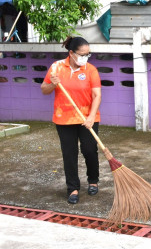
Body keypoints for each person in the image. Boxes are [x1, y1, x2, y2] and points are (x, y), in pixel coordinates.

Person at [41, 36, 102, 204]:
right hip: (64, 118)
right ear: (71, 53)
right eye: (82, 54)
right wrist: (53, 84)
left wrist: (90, 117)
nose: (85, 57)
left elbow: (97, 95)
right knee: (69, 154)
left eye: (88, 54)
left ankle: (93, 181)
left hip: (88, 118)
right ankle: (73, 188)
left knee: (89, 150)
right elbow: (44, 90)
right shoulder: (56, 67)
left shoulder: (91, 70)